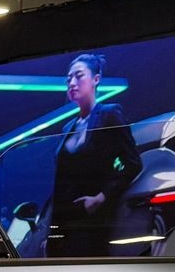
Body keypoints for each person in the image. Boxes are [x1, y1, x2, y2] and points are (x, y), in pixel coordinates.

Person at [45, 53, 142, 257]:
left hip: (91, 223)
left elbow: (132, 163)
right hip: (63, 224)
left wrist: (101, 197)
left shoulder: (109, 114)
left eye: (78, 76)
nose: (72, 83)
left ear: (96, 79)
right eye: (68, 78)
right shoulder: (68, 127)